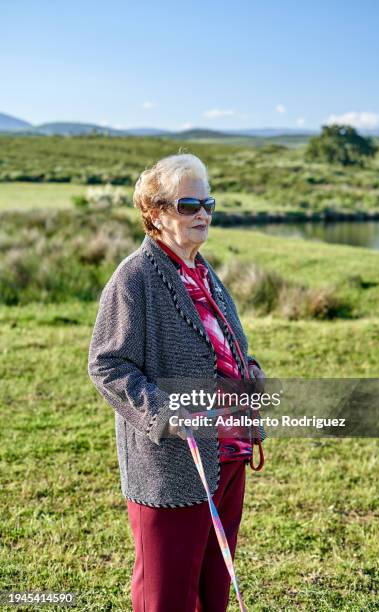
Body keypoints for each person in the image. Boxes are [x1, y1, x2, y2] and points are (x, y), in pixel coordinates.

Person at [87, 153, 266, 612]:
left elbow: (223, 349)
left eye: (208, 202)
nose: (203, 213)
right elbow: (108, 365)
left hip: (226, 456)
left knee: (213, 591)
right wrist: (165, 413)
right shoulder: (135, 277)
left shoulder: (202, 271)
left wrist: (249, 375)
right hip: (172, 467)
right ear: (156, 211)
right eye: (189, 204)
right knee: (165, 598)